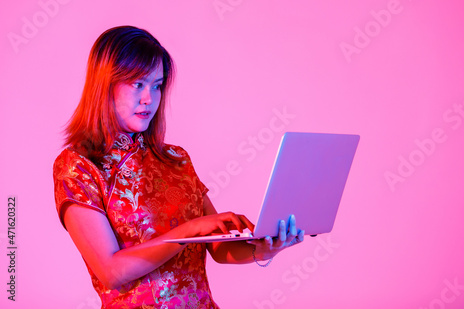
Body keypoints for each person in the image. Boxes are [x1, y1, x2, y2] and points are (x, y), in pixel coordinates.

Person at [53, 25, 304, 309]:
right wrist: (192, 229)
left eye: (157, 85)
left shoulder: (175, 158)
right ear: (104, 85)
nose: (150, 98)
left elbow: (219, 247)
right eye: (137, 84)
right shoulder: (78, 167)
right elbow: (112, 272)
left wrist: (264, 247)